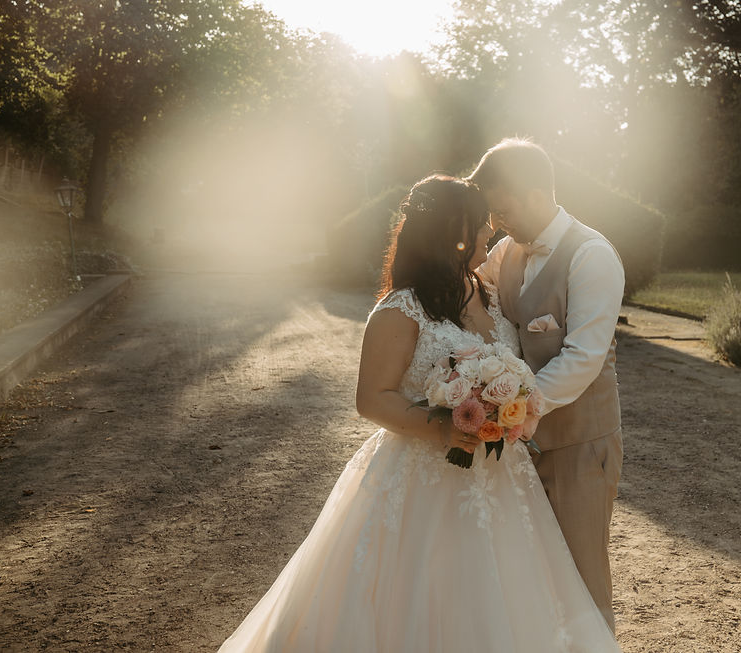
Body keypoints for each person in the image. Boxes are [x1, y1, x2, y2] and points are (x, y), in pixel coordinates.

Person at [217, 174, 621, 652]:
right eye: (478, 227)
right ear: (452, 233)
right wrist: (446, 425)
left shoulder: (485, 293)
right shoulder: (400, 308)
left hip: (502, 479)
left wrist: (508, 408)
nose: (489, 234)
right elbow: (372, 398)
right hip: (423, 475)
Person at [471, 138, 625, 631]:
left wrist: (512, 410)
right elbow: (477, 303)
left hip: (581, 442)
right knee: (531, 571)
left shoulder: (593, 256)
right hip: (519, 446)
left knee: (582, 573)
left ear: (536, 193)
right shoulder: (504, 252)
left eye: (503, 208)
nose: (497, 222)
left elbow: (583, 356)